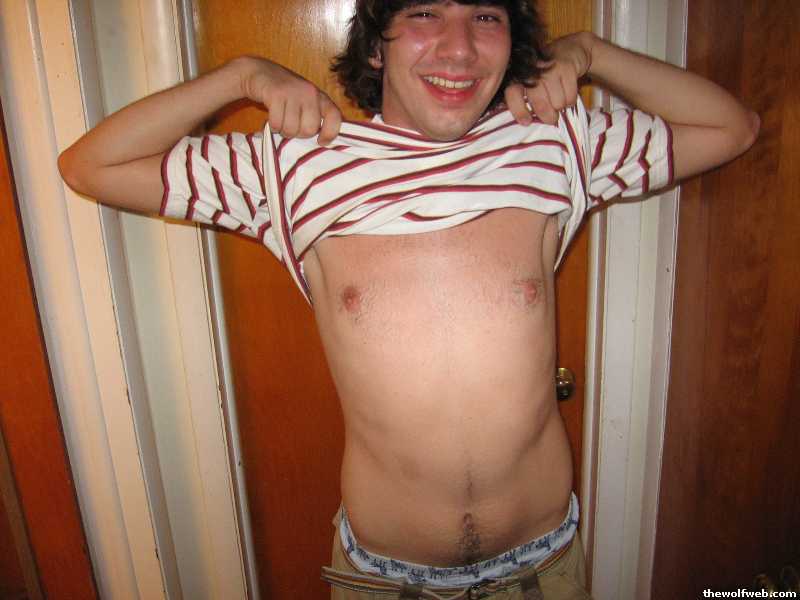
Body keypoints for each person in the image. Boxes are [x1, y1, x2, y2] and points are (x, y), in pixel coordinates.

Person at [58, 1, 759, 598]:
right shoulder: (292, 165)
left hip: (543, 571)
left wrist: (592, 52)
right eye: (424, 12)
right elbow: (89, 165)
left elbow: (732, 128)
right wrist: (242, 75)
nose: (459, 47)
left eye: (485, 16)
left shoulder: (554, 142)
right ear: (376, 45)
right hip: (385, 582)